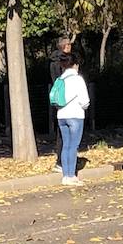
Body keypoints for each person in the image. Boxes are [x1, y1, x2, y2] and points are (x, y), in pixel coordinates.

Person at [52, 49, 90, 185]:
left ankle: (65, 176)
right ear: (76, 64)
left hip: (61, 115)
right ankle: (72, 176)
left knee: (66, 145)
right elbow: (85, 101)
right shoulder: (78, 79)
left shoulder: (60, 79)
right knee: (73, 146)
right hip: (75, 115)